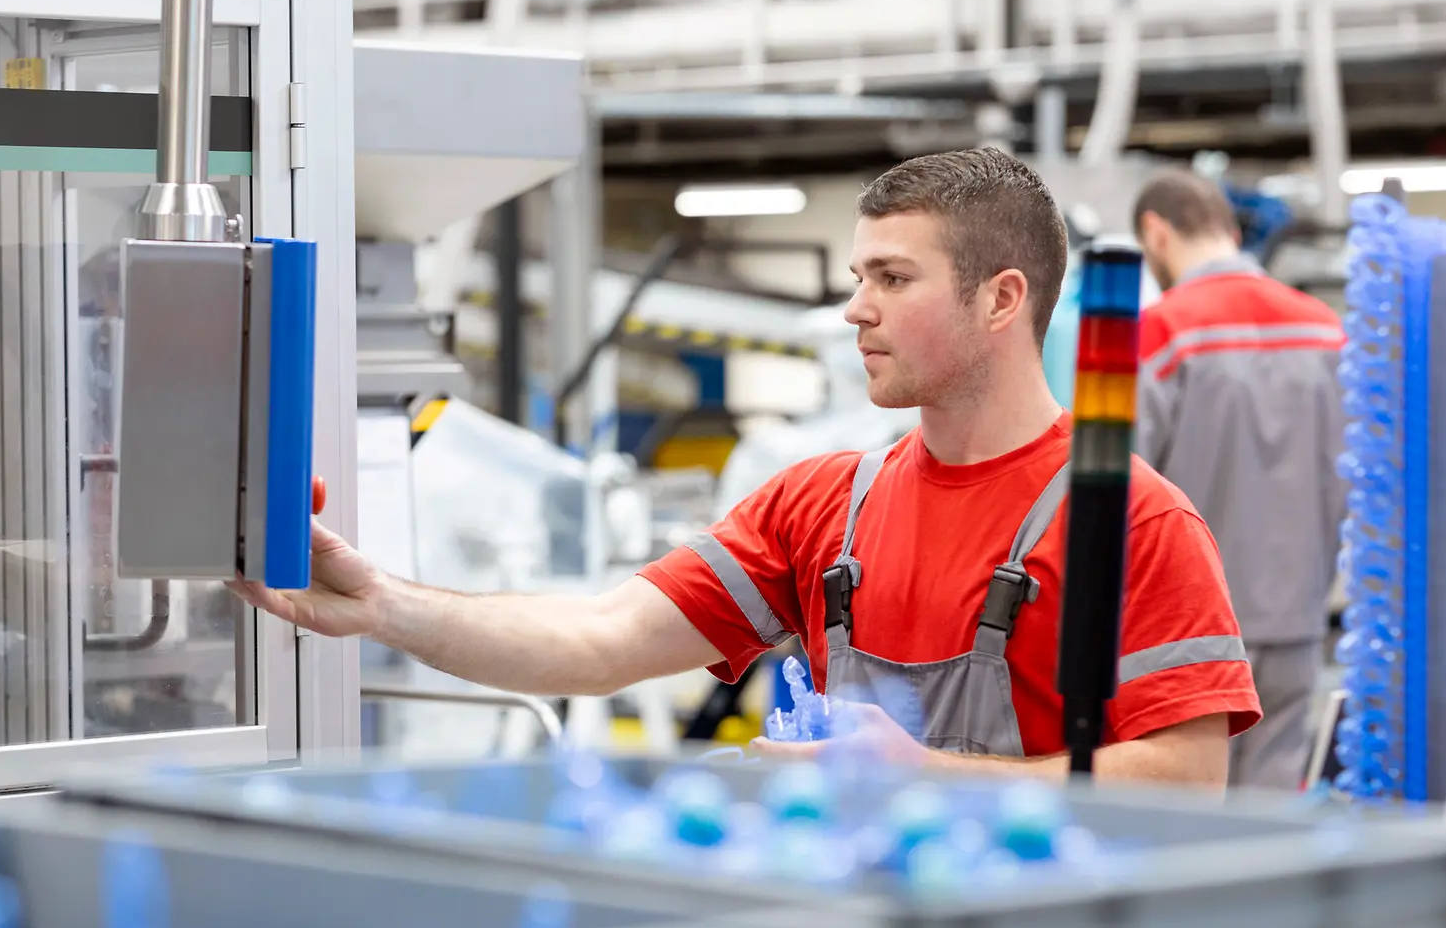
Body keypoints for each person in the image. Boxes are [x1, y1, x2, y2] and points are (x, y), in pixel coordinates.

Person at [235, 148, 1262, 788]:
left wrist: (926, 780)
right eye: (858, 275)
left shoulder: (1134, 522)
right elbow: (600, 638)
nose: (856, 307)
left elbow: (1185, 779)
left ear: (1001, 300)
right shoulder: (825, 506)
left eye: (892, 278)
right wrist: (382, 607)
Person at [1131, 170, 1346, 790]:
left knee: (1188, 815)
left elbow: (1113, 488)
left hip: (1185, 634)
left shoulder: (1158, 332)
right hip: (1299, 619)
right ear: (1230, 231)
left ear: (1156, 233)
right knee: (1273, 809)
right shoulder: (1326, 328)